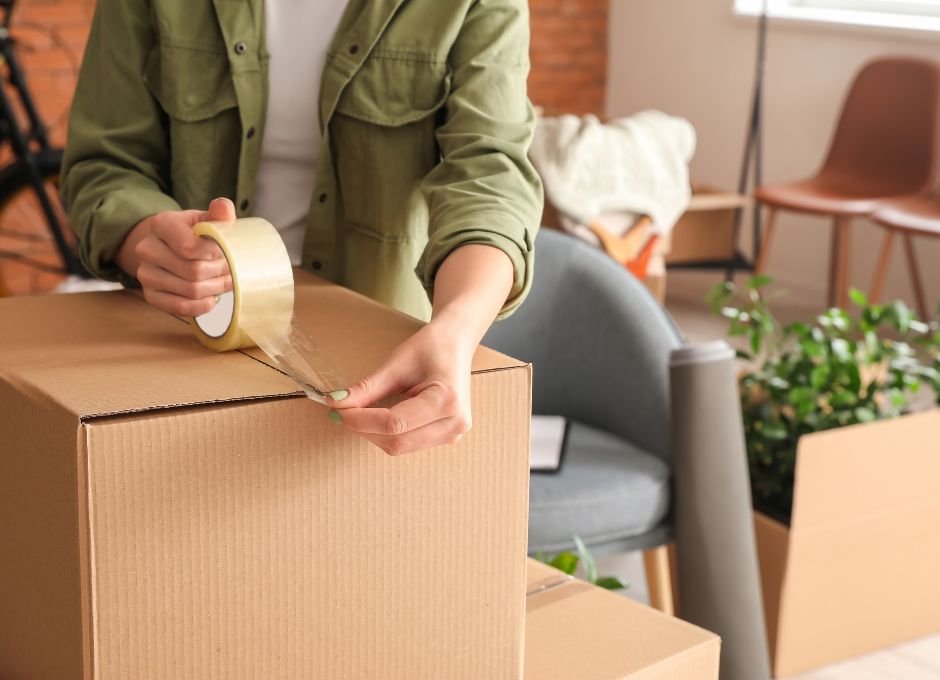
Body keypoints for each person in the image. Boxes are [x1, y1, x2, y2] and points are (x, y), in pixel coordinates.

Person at [61, 0, 543, 455]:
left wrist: (455, 330)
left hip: (381, 349)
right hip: (188, 336)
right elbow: (105, 162)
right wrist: (146, 239)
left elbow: (489, 174)